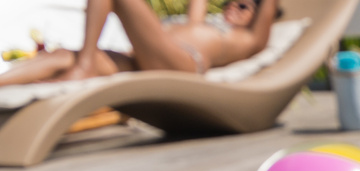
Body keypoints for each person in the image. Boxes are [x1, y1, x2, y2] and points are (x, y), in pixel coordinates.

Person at [0, 0, 275, 84]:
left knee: (83, 60)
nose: (232, 8)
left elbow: (268, 7)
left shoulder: (249, 39)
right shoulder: (201, 23)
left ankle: (85, 65)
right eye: (231, 2)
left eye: (243, 7)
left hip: (180, 63)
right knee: (61, 56)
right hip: (141, 59)